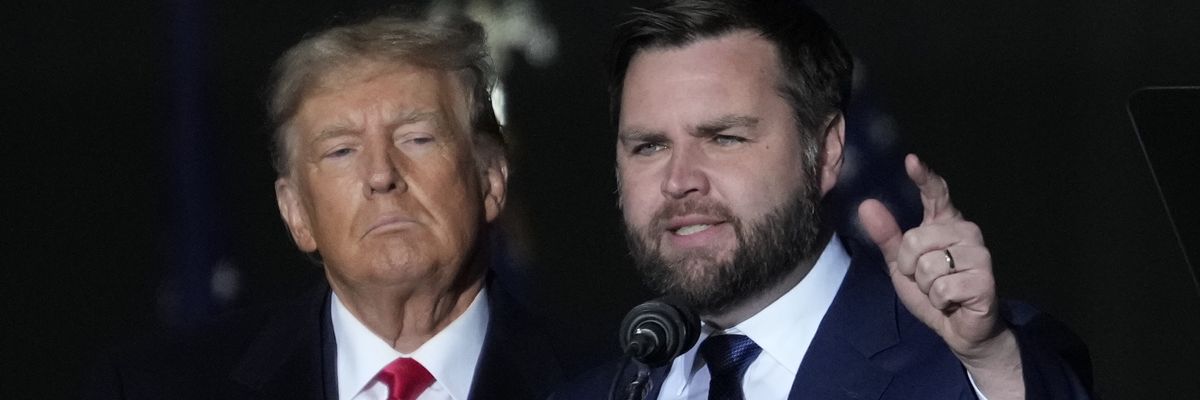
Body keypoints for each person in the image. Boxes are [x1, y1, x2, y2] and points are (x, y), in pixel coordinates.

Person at [554, 0, 1092, 399]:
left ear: (827, 150)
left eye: (724, 138)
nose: (679, 180)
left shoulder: (975, 364)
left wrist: (993, 364)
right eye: (649, 146)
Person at [83, 8, 563, 400]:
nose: (381, 175)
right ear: (295, 213)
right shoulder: (156, 387)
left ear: (491, 180)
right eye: (341, 151)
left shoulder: (612, 382)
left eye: (416, 138)